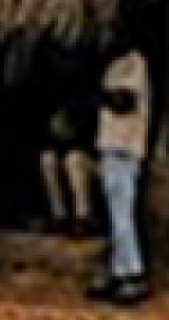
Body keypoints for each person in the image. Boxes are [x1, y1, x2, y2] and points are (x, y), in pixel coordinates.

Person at [88, 39, 151, 307]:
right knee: (114, 216)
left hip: (124, 149)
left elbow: (124, 100)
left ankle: (133, 274)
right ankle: (118, 271)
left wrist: (95, 94)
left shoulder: (134, 62)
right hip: (110, 148)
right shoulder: (113, 67)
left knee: (123, 216)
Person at [39, 88, 97, 238]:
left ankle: (83, 217)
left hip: (93, 160)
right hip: (65, 153)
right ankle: (59, 216)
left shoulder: (89, 106)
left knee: (74, 160)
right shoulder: (55, 109)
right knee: (47, 159)